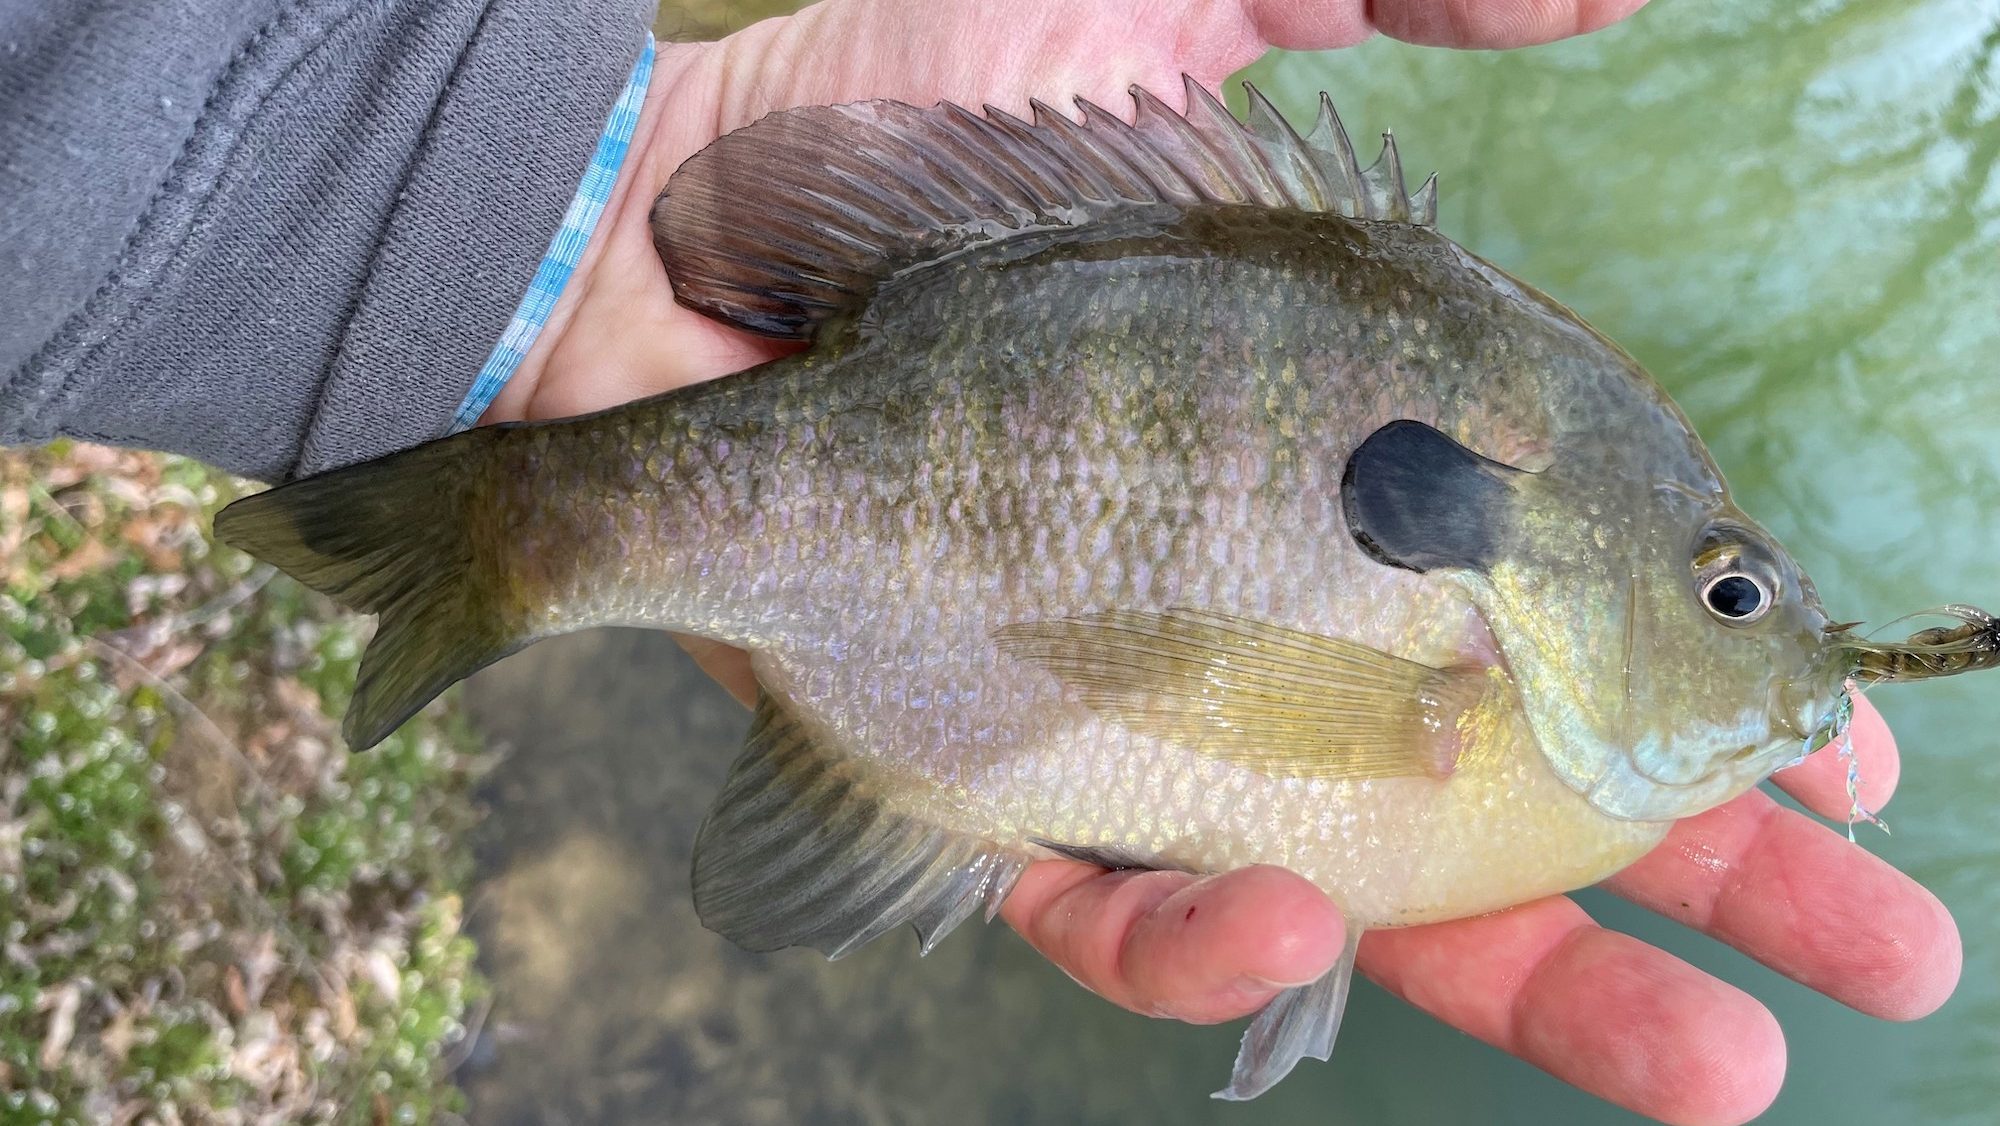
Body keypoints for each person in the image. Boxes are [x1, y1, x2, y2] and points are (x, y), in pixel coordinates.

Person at [0, 1, 1960, 1121]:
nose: (1764, 645)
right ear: (1572, 566)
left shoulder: (1525, 601)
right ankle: (507, 528)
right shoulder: (1478, 674)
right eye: (1727, 591)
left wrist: (410, 195)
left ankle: (483, 509)